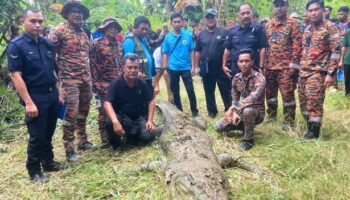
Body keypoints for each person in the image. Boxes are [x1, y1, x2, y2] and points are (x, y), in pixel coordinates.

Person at [7, 7, 66, 183]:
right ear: (23, 22)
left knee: (49, 131)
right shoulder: (16, 45)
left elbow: (52, 70)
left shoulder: (47, 44)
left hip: (51, 94)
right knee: (37, 135)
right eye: (33, 21)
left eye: (40, 21)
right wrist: (28, 102)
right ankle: (34, 170)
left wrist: (60, 92)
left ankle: (48, 162)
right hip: (34, 96)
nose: (38, 25)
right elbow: (15, 75)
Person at [48, 0, 95, 162]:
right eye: (73, 11)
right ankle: (69, 148)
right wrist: (56, 77)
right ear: (67, 14)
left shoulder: (84, 32)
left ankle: (83, 140)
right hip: (69, 80)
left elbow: (88, 55)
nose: (77, 14)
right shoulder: (59, 31)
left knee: (84, 110)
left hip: (85, 79)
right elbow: (48, 53)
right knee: (71, 113)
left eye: (80, 11)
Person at [299, 0, 340, 140]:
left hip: (318, 72)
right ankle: (309, 126)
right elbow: (304, 51)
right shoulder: (307, 29)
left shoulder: (330, 27)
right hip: (303, 72)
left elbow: (335, 51)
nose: (313, 12)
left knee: (314, 102)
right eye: (310, 10)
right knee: (304, 102)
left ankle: (313, 134)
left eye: (316, 9)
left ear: (322, 10)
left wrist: (330, 73)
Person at [104, 54, 156, 155]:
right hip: (122, 118)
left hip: (137, 118)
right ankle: (116, 145)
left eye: (135, 67)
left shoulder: (141, 83)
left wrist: (150, 120)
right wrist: (115, 122)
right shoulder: (116, 83)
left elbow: (151, 101)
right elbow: (107, 103)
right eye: (129, 67)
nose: (133, 70)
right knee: (109, 122)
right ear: (123, 67)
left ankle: (131, 137)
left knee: (149, 136)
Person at [214, 49, 266, 151]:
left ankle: (248, 140)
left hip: (257, 112)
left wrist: (233, 108)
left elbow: (253, 97)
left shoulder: (260, 78)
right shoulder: (236, 78)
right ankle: (245, 126)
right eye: (241, 61)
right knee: (218, 127)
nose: (244, 64)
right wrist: (233, 112)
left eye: (247, 61)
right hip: (240, 109)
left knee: (248, 111)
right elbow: (235, 98)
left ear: (252, 62)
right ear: (237, 63)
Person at [264, 0, 302, 127]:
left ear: (287, 7)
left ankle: (288, 121)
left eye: (282, 5)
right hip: (269, 67)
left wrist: (294, 66)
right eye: (276, 6)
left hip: (286, 68)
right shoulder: (268, 25)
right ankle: (271, 115)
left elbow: (297, 46)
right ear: (273, 8)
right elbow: (265, 46)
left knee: (287, 95)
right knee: (270, 95)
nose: (279, 8)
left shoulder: (294, 24)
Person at [90, 17, 123, 147]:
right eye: (110, 27)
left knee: (118, 109)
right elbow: (92, 65)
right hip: (103, 84)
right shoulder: (96, 44)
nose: (113, 29)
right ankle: (105, 138)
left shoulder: (118, 45)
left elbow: (121, 64)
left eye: (115, 27)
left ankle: (117, 134)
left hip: (118, 84)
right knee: (103, 111)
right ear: (104, 29)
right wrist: (95, 84)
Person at [194, 8, 231, 118]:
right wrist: (196, 66)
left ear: (216, 18)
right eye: (208, 17)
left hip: (222, 68)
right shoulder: (201, 34)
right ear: (205, 20)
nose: (210, 19)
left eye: (212, 17)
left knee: (226, 90)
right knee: (208, 91)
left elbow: (230, 48)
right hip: (207, 68)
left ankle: (229, 109)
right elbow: (197, 51)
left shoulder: (225, 31)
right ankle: (212, 111)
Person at [162, 12, 198, 117]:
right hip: (173, 68)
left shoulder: (187, 35)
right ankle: (179, 111)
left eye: (179, 21)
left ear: (182, 22)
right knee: (175, 90)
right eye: (175, 22)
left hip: (186, 68)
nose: (177, 24)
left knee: (190, 90)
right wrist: (164, 68)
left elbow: (192, 51)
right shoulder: (168, 37)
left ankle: (194, 112)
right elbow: (165, 53)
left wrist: (193, 66)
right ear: (171, 23)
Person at [222, 3, 268, 79]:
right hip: (236, 69)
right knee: (236, 90)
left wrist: (261, 66)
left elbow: (262, 48)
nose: (245, 16)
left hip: (253, 68)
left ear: (251, 13)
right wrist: (224, 65)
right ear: (238, 15)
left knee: (254, 90)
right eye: (243, 14)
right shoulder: (232, 31)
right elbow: (227, 49)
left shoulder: (258, 29)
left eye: (247, 13)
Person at [123, 16, 156, 96]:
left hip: (147, 78)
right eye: (142, 29)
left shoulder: (143, 39)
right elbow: (127, 62)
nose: (145, 31)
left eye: (146, 29)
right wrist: (136, 73)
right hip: (136, 80)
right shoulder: (129, 40)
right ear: (135, 27)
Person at [339, 23, 350, 96]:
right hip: (348, 60)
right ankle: (347, 95)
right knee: (347, 81)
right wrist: (341, 60)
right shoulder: (348, 32)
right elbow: (345, 47)